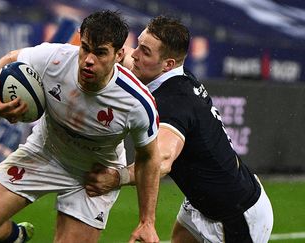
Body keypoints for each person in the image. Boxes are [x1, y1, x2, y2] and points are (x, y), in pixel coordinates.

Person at [0, 10, 162, 243]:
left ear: (119, 55)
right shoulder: (55, 58)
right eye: (85, 48)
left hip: (93, 174)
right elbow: (11, 59)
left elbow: (149, 158)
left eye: (100, 53)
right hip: (43, 152)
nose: (88, 60)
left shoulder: (137, 101)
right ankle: (16, 237)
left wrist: (147, 222)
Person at [85, 16, 274, 243]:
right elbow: (126, 62)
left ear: (168, 64)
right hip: (201, 203)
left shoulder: (174, 101)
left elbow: (161, 161)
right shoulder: (173, 77)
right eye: (138, 45)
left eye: (145, 51)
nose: (134, 54)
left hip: (235, 214)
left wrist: (116, 178)